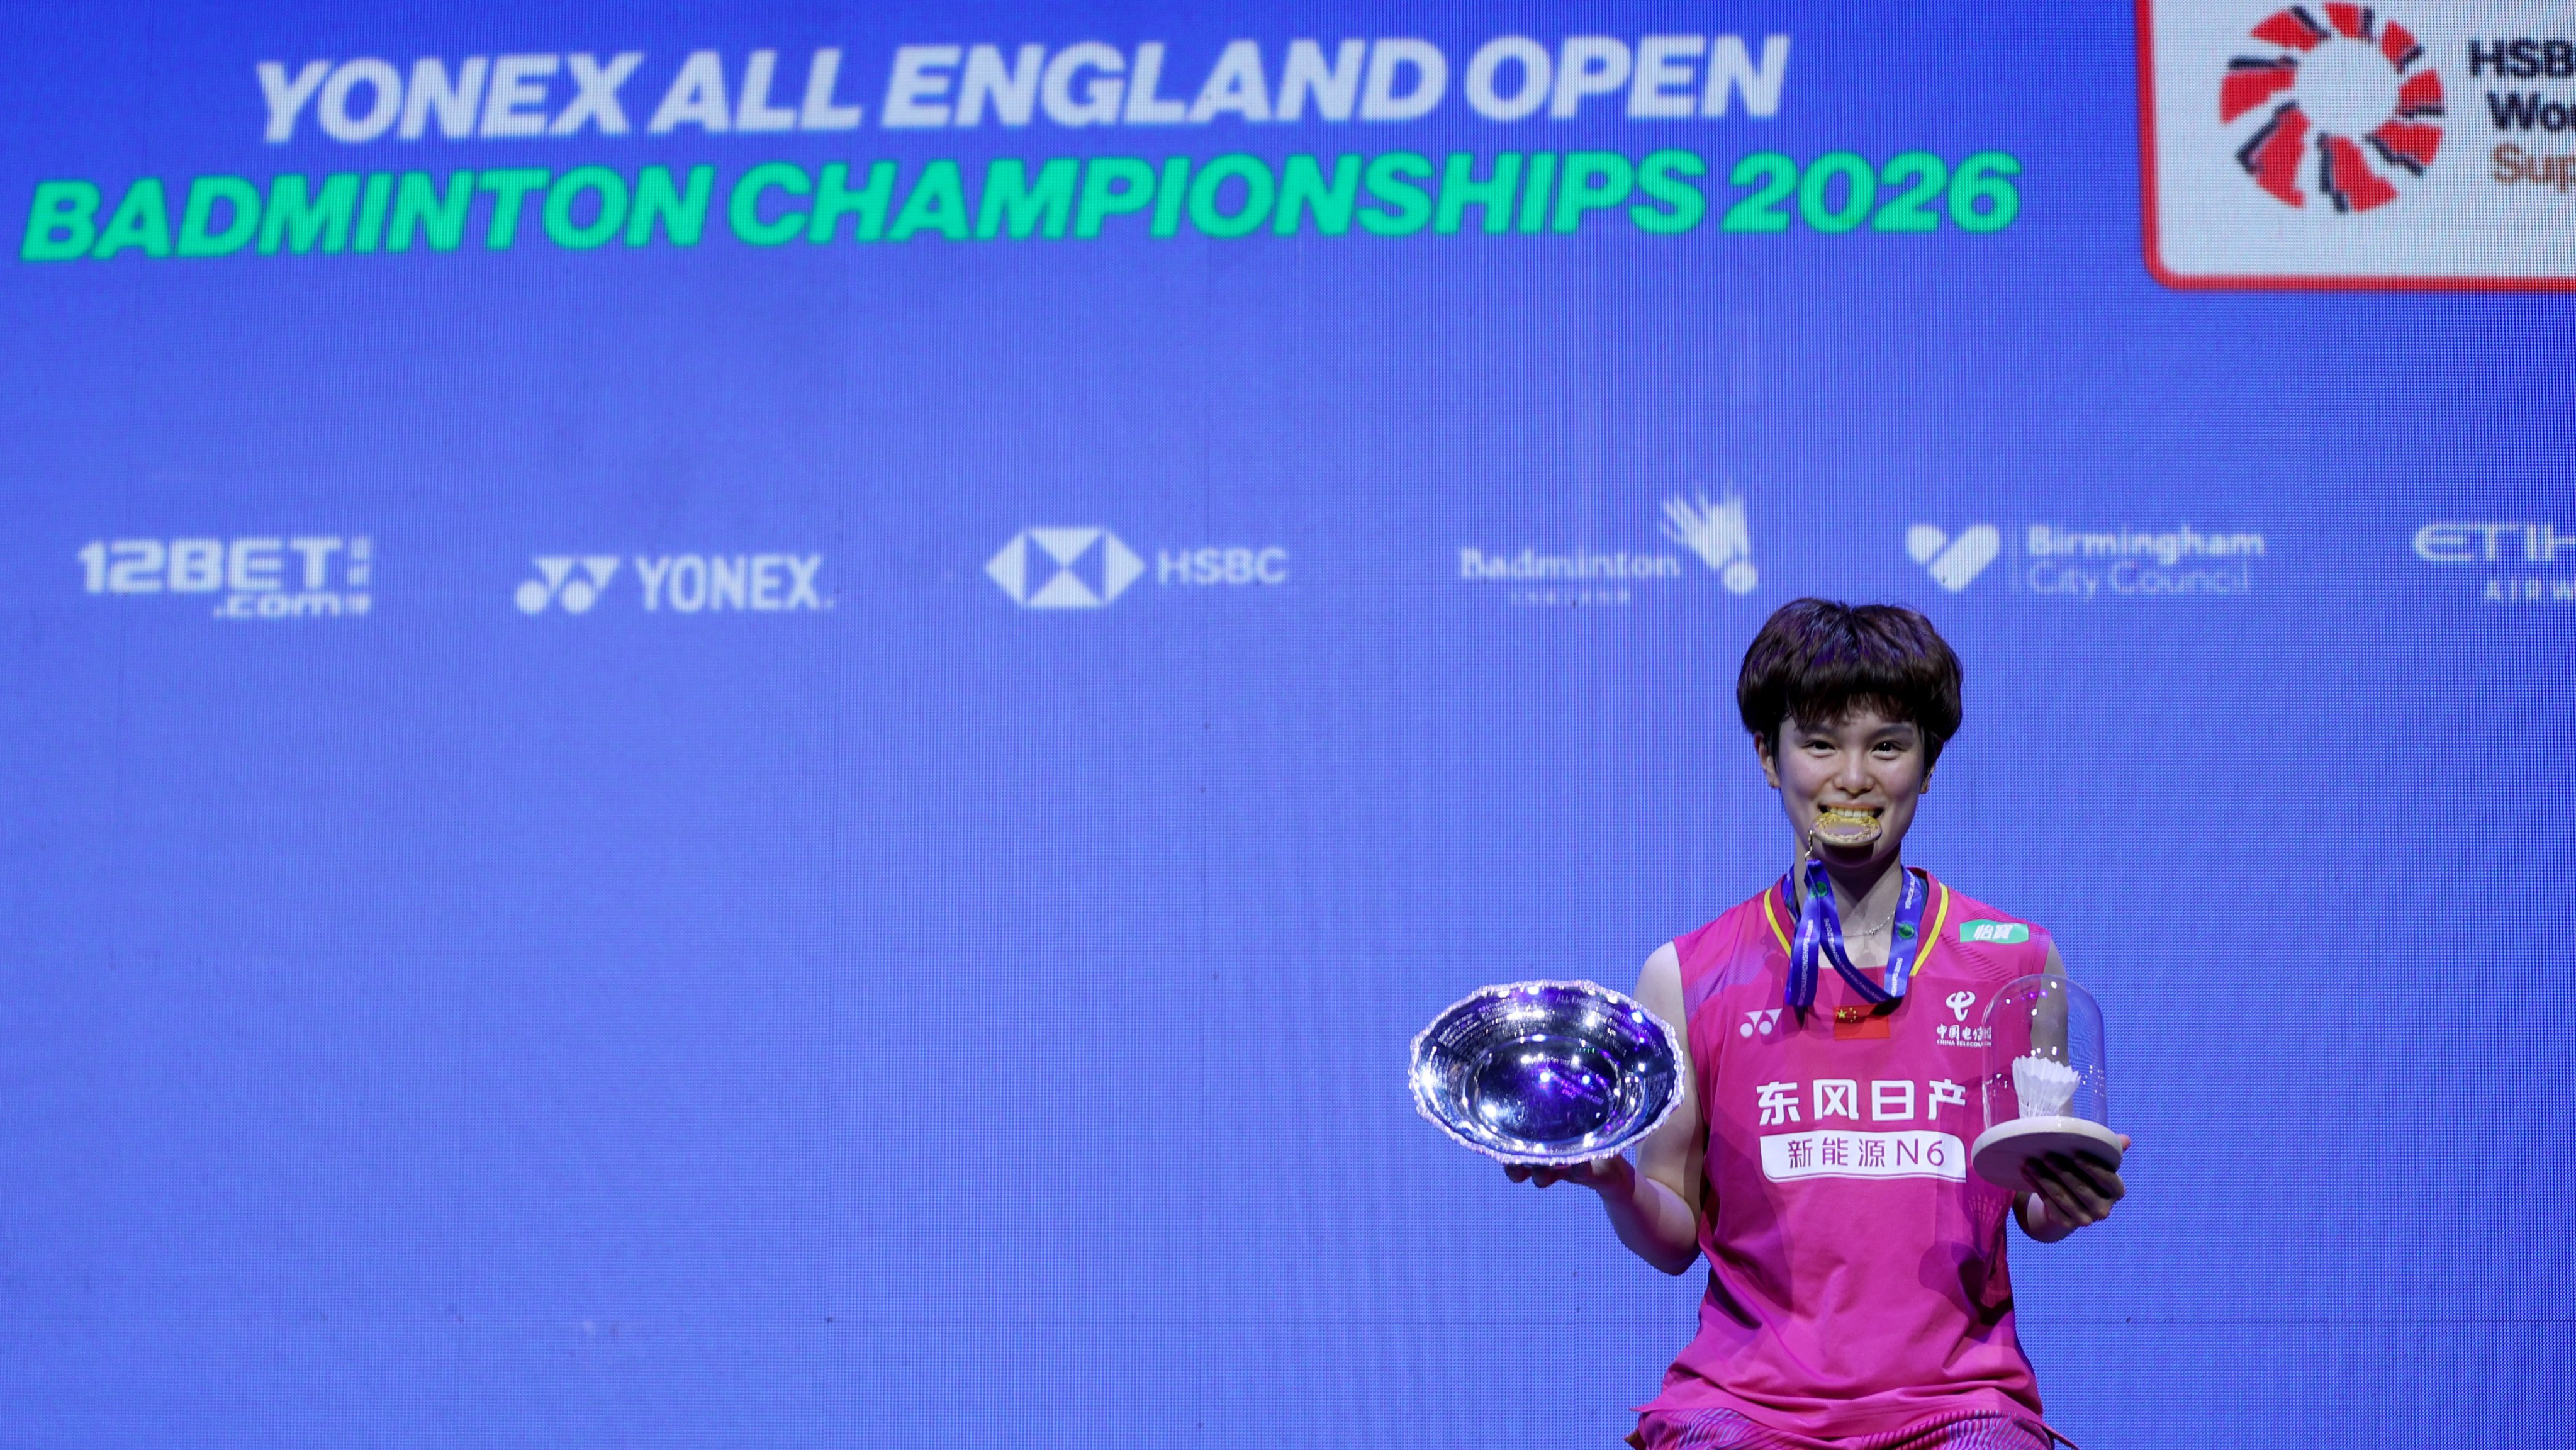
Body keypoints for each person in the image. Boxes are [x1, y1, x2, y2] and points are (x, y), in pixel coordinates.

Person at [1506, 599, 2127, 1450]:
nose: (1853, 778)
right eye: (1821, 744)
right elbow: (1675, 1237)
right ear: (1769, 756)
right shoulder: (1685, 976)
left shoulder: (2015, 964)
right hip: (1743, 1409)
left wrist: (2069, 1194)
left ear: (1928, 764)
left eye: (1888, 746)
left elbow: (2035, 1206)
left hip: (1960, 1407)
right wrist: (1611, 1179)